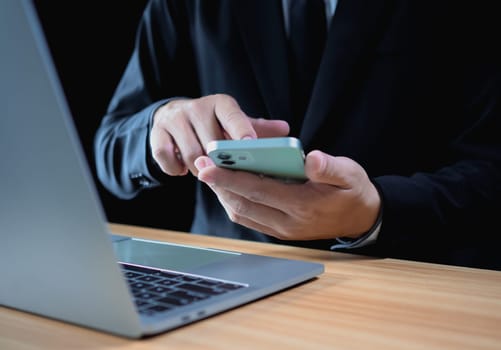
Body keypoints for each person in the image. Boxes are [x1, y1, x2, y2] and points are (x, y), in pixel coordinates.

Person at [94, 0, 501, 270]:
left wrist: (378, 212)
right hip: (225, 278)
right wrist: (160, 124)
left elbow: (490, 169)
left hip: (403, 281)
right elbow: (110, 146)